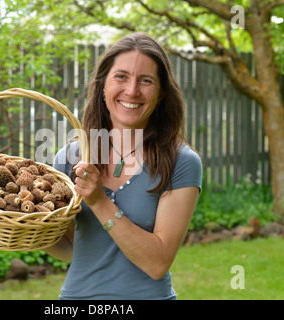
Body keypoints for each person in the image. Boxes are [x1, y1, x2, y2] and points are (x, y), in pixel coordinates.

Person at [44, 32, 202, 300]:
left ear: (162, 92)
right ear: (103, 85)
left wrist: (98, 201)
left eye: (145, 80)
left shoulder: (181, 162)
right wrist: (28, 231)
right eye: (121, 77)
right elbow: (71, 248)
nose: (131, 91)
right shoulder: (70, 157)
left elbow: (157, 263)